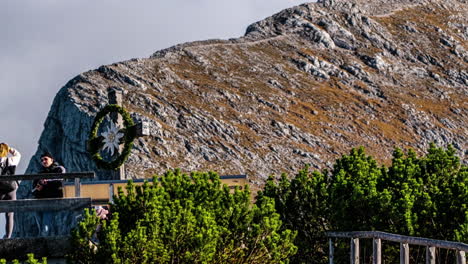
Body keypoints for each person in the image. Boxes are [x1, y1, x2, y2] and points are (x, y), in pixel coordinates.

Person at [32, 152, 66, 236]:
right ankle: (43, 244)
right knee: (41, 228)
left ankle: (44, 246)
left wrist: (47, 182)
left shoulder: (59, 169)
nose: (43, 161)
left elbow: (61, 181)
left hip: (52, 201)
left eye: (45, 159)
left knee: (45, 228)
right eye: (42, 160)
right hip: (40, 202)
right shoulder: (40, 174)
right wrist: (38, 188)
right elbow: (33, 190)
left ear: (52, 159)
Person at [0, 143, 21, 239]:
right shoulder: (11, 160)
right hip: (10, 190)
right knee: (9, 214)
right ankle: (8, 236)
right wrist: (9, 149)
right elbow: (18, 154)